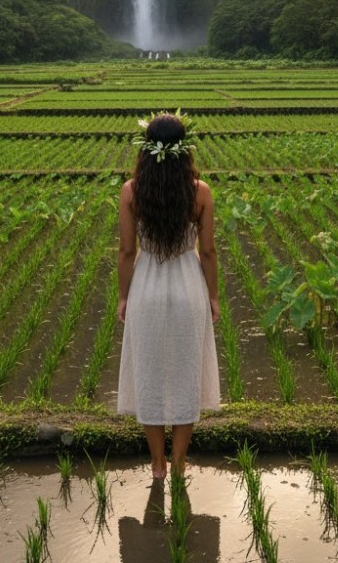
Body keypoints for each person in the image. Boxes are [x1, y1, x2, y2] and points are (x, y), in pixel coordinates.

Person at [116, 110, 220, 479]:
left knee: (150, 374)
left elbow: (127, 252)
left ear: (146, 148)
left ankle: (156, 465)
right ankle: (178, 463)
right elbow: (207, 252)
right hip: (189, 287)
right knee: (185, 374)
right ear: (185, 148)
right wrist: (214, 296)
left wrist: (123, 297)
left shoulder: (132, 191)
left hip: (146, 288)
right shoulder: (200, 192)